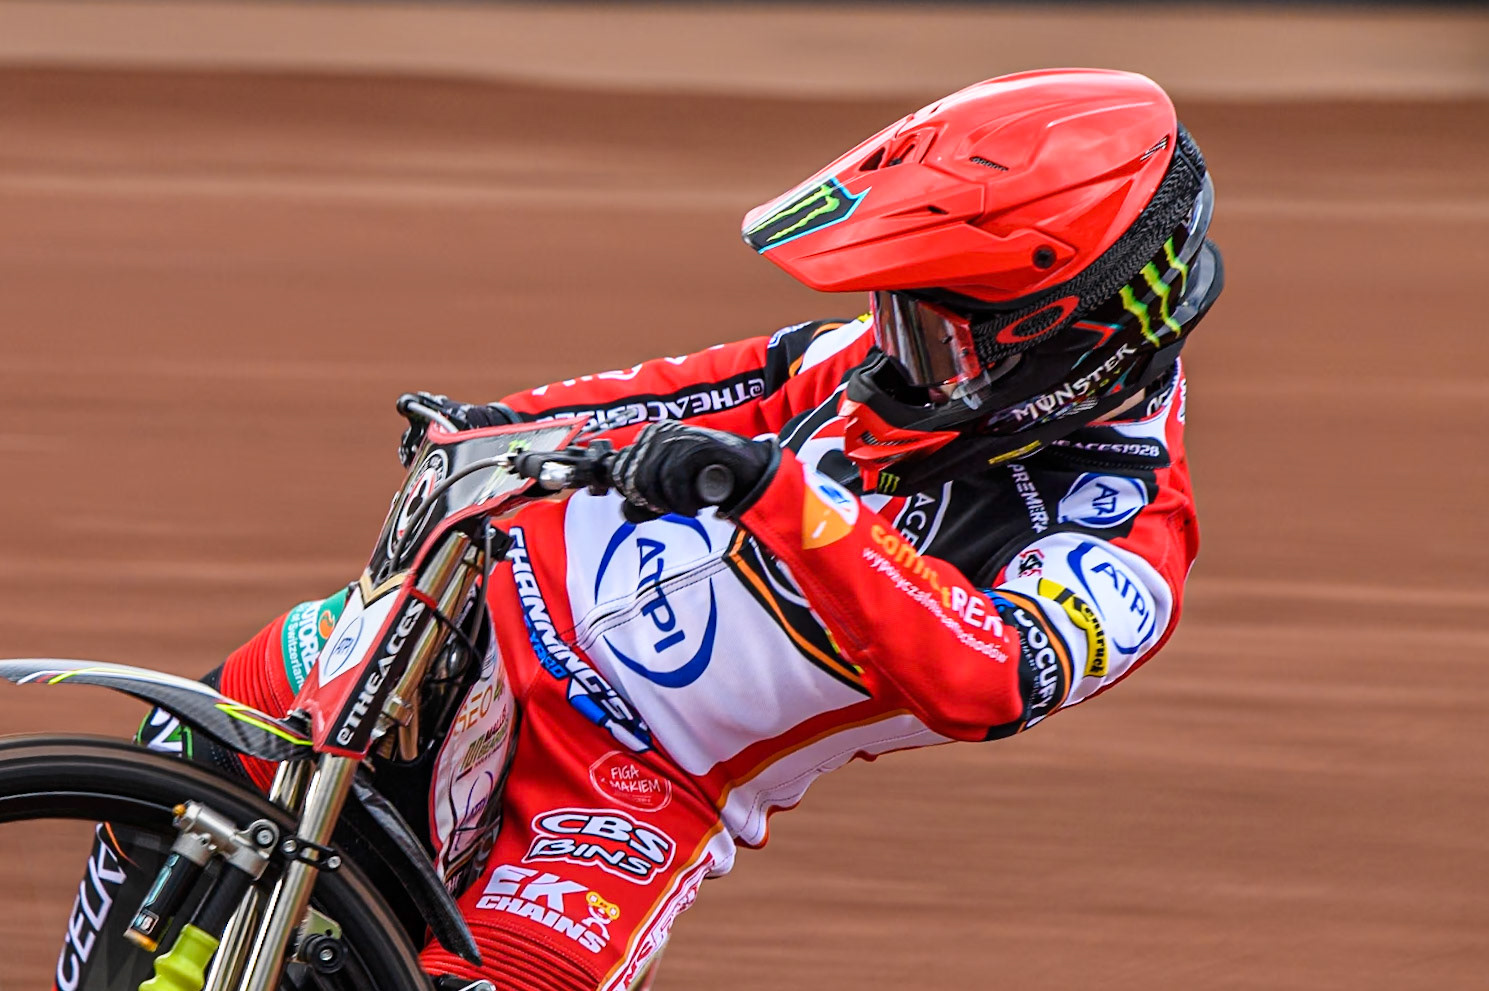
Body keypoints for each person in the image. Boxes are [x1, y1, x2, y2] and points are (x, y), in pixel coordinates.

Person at [181, 68, 1225, 990]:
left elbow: (984, 677)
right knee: (192, 750)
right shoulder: (903, 359)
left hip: (629, 785)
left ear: (1073, 343)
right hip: (483, 620)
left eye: (934, 336)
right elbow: (727, 382)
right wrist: (500, 422)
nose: (891, 354)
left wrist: (783, 500)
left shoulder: (1126, 544)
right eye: (895, 315)